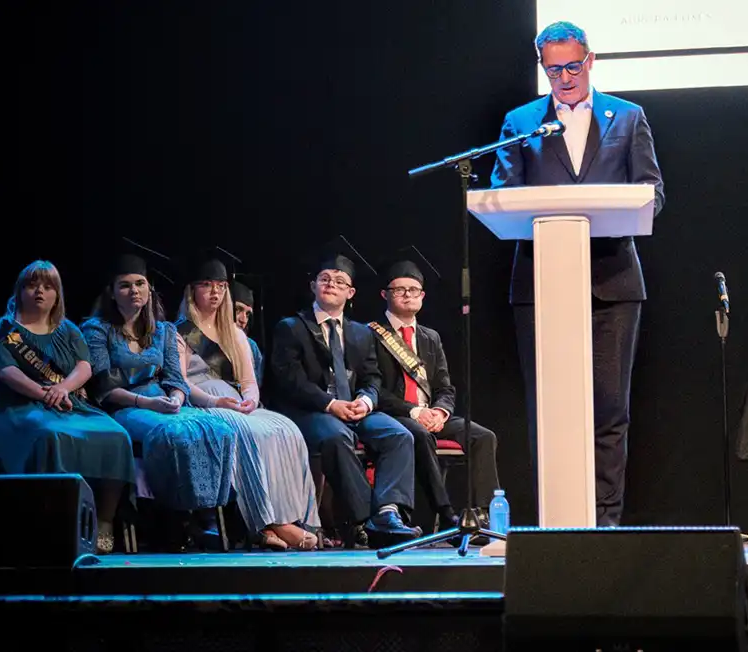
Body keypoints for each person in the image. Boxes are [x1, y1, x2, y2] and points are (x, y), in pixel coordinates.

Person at [491, 21, 665, 526]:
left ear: (590, 61)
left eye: (572, 67)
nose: (564, 78)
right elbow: (502, 196)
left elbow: (653, 192)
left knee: (609, 408)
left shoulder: (627, 117)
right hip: (541, 285)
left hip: (613, 283)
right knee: (549, 410)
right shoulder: (522, 121)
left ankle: (604, 524)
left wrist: (609, 206)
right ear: (542, 68)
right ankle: (557, 520)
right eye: (553, 70)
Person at [0, 261, 135, 554]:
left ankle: (104, 520)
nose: (40, 291)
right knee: (50, 436)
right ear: (19, 291)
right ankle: (54, 520)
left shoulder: (67, 329)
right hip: (20, 408)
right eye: (32, 285)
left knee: (117, 436)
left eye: (48, 286)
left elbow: (84, 366)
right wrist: (45, 393)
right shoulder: (3, 331)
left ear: (57, 294)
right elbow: (7, 373)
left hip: (70, 403)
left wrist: (63, 388)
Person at [82, 254, 236, 550]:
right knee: (174, 434)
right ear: (112, 292)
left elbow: (176, 379)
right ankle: (174, 517)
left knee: (219, 430)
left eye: (140, 283)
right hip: (125, 405)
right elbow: (103, 386)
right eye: (125, 285)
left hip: (163, 401)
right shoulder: (97, 329)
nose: (134, 290)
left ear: (149, 289)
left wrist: (176, 399)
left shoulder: (163, 330)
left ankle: (205, 515)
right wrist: (148, 403)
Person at [269, 251, 420, 548]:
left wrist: (365, 401)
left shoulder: (361, 333)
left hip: (354, 409)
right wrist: (330, 404)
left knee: (399, 434)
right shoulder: (291, 327)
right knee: (336, 437)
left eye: (340, 281)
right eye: (325, 279)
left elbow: (372, 378)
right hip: (311, 411)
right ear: (313, 286)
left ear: (350, 293)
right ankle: (367, 518)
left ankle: (388, 511)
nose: (331, 284)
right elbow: (290, 381)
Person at [176, 257, 319, 550]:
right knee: (250, 433)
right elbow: (181, 382)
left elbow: (248, 381)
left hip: (236, 402)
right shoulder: (180, 331)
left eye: (221, 286)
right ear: (192, 290)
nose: (215, 293)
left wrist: (251, 401)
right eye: (207, 285)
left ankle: (291, 517)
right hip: (203, 404)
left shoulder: (234, 334)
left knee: (285, 429)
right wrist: (216, 400)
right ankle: (265, 523)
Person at [367, 258, 501, 531]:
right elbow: (373, 387)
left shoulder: (430, 337)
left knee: (483, 436)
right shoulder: (369, 334)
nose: (408, 295)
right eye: (399, 290)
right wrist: (415, 411)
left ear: (423, 296)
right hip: (394, 415)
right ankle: (445, 513)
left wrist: (440, 412)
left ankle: (485, 515)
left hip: (431, 414)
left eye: (414, 290)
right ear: (384, 295)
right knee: (420, 434)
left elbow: (445, 387)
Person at [231, 280, 264, 387]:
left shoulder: (251, 346)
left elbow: (256, 386)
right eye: (237, 310)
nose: (243, 320)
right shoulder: (204, 340)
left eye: (248, 314)